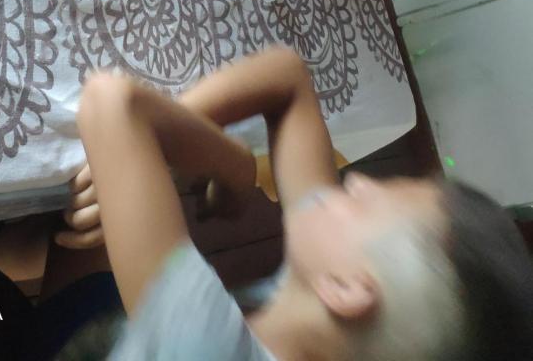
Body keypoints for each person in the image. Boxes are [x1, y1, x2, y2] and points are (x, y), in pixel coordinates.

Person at [59, 46, 533, 360]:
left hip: (78, 341)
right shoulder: (320, 309)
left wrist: (233, 166)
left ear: (345, 287)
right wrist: (165, 151)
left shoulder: (204, 346)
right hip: (128, 327)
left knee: (28, 264)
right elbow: (288, 76)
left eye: (366, 202)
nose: (358, 182)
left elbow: (113, 103)